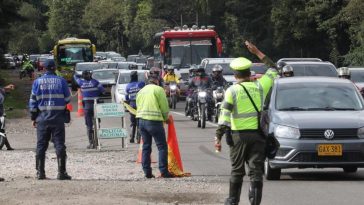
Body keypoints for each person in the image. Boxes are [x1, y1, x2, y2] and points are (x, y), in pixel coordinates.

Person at [216, 55, 278, 205]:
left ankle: (232, 200)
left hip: (239, 137)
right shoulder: (260, 86)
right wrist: (257, 52)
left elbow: (224, 116)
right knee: (256, 171)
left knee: (237, 170)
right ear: (249, 72)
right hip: (258, 136)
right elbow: (274, 68)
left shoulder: (232, 91)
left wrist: (218, 137)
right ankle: (255, 202)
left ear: (235, 74)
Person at [29, 58, 72, 180]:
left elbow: (33, 102)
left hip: (42, 118)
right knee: (59, 144)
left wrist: (33, 117)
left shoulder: (37, 82)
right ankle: (61, 172)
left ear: (44, 68)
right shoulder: (61, 81)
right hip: (58, 118)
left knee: (41, 145)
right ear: (55, 68)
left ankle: (40, 173)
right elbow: (68, 99)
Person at [136, 76, 173, 178]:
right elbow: (164, 106)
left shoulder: (141, 91)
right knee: (162, 147)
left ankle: (147, 172)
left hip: (141, 121)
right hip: (154, 122)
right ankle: (164, 172)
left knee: (146, 147)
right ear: (157, 82)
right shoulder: (159, 90)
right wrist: (166, 118)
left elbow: (138, 105)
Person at [74, 70, 105, 149]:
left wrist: (80, 76)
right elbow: (103, 91)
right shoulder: (96, 82)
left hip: (87, 106)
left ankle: (91, 142)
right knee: (98, 123)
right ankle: (98, 140)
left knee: (89, 125)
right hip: (96, 106)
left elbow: (75, 77)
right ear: (90, 75)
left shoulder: (81, 83)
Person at [125, 71, 145, 143]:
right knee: (139, 121)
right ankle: (139, 138)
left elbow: (126, 97)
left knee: (133, 122)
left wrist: (128, 102)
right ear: (137, 76)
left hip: (132, 104)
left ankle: (132, 137)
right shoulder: (141, 84)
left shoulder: (128, 86)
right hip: (140, 104)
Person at [0, 84, 15, 150]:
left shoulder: (2, 96)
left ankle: (8, 146)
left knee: (2, 129)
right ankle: (8, 146)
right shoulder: (1, 93)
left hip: (1, 114)